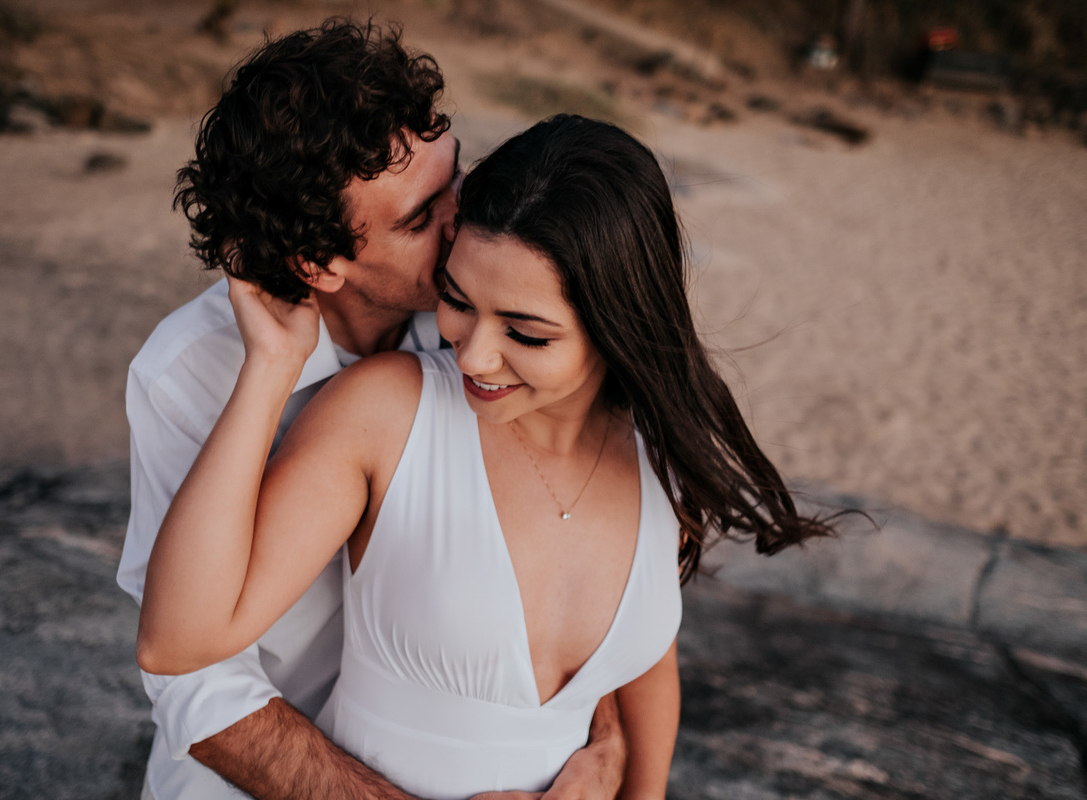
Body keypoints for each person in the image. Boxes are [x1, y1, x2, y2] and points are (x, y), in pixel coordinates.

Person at [137, 115, 837, 798]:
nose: (471, 354)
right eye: (456, 299)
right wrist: (274, 363)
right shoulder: (374, 407)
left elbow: (645, 658)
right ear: (324, 264)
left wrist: (618, 756)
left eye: (526, 333)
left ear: (618, 325)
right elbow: (181, 654)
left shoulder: (661, 453)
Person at [117, 21, 625, 800]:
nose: (466, 220)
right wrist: (273, 367)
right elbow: (195, 677)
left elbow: (580, 510)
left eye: (458, 178)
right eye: (421, 219)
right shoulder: (185, 375)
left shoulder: (481, 324)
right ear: (318, 264)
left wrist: (607, 735)